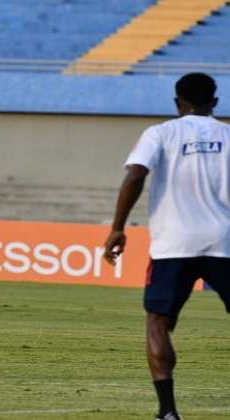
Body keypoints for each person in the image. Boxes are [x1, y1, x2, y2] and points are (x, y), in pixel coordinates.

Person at [104, 73, 230, 420]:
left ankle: (168, 412)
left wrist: (117, 228)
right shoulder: (229, 135)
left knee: (158, 322)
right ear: (215, 102)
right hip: (224, 241)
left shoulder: (160, 133)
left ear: (177, 103)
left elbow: (135, 174)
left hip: (174, 244)